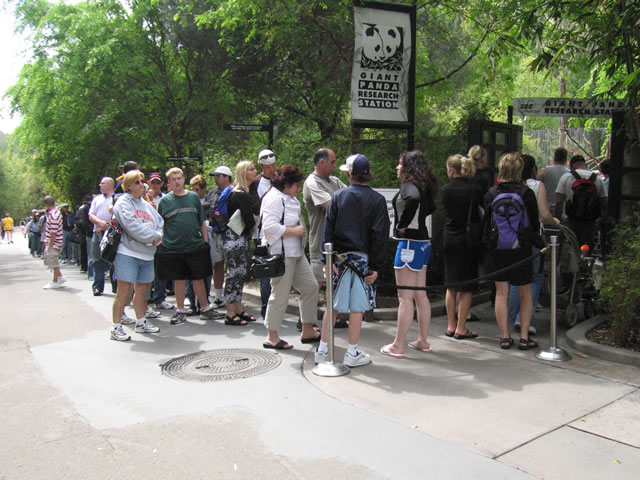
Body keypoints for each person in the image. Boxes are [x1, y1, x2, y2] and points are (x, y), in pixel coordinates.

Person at [316, 154, 389, 366]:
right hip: (363, 261)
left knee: (332, 305)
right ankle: (352, 352)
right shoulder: (377, 200)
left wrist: (326, 260)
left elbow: (327, 230)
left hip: (338, 260)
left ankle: (322, 350)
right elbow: (379, 236)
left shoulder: (338, 197)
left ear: (349, 174)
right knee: (357, 307)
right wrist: (375, 265)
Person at [484, 152, 542, 350]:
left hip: (498, 248)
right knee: (525, 294)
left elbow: (487, 223)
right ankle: (524, 337)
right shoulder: (527, 193)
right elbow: (534, 223)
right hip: (521, 249)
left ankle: (504, 337)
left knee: (501, 293)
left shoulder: (492, 193)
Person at [381, 151, 436, 357]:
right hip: (423, 242)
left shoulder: (409, 186)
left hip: (409, 244)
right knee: (420, 294)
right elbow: (430, 206)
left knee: (404, 297)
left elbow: (412, 199)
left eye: (400, 163)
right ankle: (423, 340)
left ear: (408, 167)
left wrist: (402, 224)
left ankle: (398, 345)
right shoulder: (424, 185)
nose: (397, 167)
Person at [260, 165, 319, 349]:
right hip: (282, 254)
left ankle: (307, 329)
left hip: (296, 252)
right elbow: (269, 228)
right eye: (296, 185)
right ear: (286, 184)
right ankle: (272, 336)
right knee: (280, 295)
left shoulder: (288, 197)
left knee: (311, 287)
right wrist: (295, 231)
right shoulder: (274, 198)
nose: (298, 188)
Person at [156, 167, 219, 324]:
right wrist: (161, 242)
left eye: (179, 178)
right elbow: (159, 224)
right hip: (174, 247)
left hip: (195, 245)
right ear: (169, 182)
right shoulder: (164, 201)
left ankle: (205, 308)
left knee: (198, 278)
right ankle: (180, 310)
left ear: (184, 179)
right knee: (179, 279)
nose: (177, 181)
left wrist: (205, 241)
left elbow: (201, 220)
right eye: (174, 179)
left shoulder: (193, 197)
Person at [109, 171, 164, 341]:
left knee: (142, 290)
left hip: (147, 254)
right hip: (128, 252)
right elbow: (132, 226)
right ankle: (116, 327)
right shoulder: (123, 203)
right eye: (137, 182)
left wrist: (158, 234)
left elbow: (159, 222)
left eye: (142, 181)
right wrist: (153, 237)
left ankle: (140, 322)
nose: (142, 185)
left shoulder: (146, 204)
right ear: (128, 186)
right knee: (123, 291)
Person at [508, 154, 559, 335]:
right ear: (532, 169)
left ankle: (513, 315)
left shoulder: (508, 186)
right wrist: (555, 221)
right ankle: (524, 319)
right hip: (533, 236)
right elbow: (544, 215)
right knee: (535, 277)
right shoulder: (537, 186)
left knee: (516, 277)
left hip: (511, 236)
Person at [302, 147, 346, 330]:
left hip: (336, 243)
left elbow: (351, 198)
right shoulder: (312, 182)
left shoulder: (334, 181)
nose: (335, 166)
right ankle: (306, 321)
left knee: (333, 282)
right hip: (320, 242)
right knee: (316, 283)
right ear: (322, 163)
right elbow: (330, 206)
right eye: (333, 162)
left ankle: (332, 317)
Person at [440, 154, 483, 341]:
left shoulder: (445, 190)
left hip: (450, 237)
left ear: (451, 170)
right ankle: (461, 327)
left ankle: (450, 325)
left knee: (451, 285)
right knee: (466, 287)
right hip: (468, 239)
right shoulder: (475, 190)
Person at [555, 154, 608, 249]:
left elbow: (559, 202)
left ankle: (573, 258)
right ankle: (585, 258)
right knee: (585, 248)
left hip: (569, 221)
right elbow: (604, 202)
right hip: (589, 222)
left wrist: (559, 220)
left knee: (570, 248)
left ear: (572, 166)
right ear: (585, 165)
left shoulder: (566, 177)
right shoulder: (598, 179)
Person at [205, 165, 234, 309]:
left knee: (232, 266)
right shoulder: (212, 193)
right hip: (215, 233)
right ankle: (218, 297)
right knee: (217, 264)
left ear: (227, 177)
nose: (216, 179)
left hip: (230, 234)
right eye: (215, 176)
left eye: (218, 176)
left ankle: (232, 297)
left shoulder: (234, 192)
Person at [255, 148, 277, 318]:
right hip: (261, 234)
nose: (272, 169)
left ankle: (275, 309)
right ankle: (266, 309)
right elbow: (255, 207)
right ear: (261, 166)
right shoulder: (256, 183)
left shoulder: (280, 179)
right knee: (265, 273)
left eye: (273, 165)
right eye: (268, 166)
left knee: (278, 272)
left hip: (278, 233)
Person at [89, 177, 117, 296]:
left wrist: (108, 225)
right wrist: (100, 223)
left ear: (110, 185)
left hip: (112, 233)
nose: (100, 185)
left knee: (114, 260)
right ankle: (97, 287)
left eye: (102, 183)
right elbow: (91, 214)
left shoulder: (116, 198)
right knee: (97, 260)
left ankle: (116, 287)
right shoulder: (97, 199)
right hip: (98, 232)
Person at [42, 196, 66, 289]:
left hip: (54, 242)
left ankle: (54, 281)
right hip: (55, 241)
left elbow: (53, 232)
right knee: (51, 260)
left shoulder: (53, 215)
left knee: (53, 262)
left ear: (46, 205)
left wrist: (50, 244)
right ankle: (60, 277)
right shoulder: (55, 213)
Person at [537, 147, 569, 212]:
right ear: (565, 159)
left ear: (554, 157)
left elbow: (536, 185)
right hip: (562, 208)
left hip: (546, 207)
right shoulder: (569, 173)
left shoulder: (544, 171)